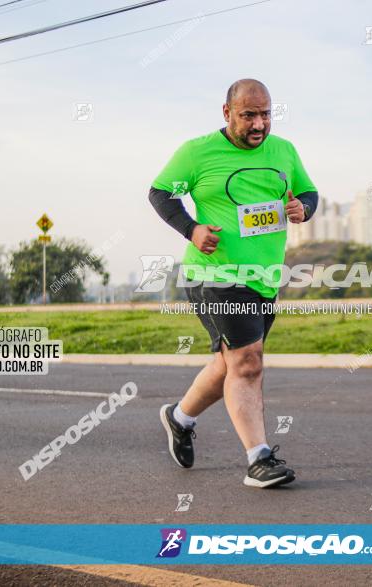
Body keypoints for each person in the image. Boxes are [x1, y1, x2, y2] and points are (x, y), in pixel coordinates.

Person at [148, 79, 319, 488]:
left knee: (229, 361)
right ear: (227, 113)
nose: (259, 124)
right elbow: (159, 194)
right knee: (248, 361)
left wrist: (302, 208)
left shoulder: (285, 151)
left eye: (266, 114)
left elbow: (310, 193)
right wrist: (191, 230)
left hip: (264, 278)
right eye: (248, 115)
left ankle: (180, 417)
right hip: (215, 275)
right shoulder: (197, 152)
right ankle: (259, 458)